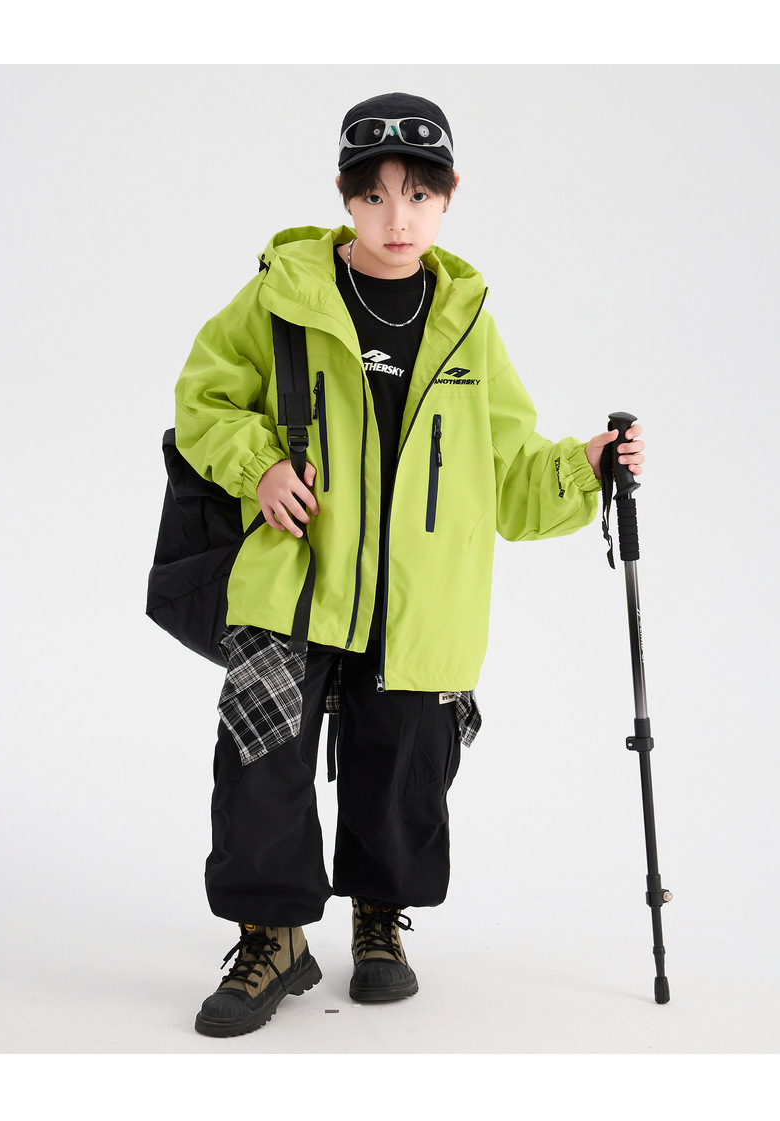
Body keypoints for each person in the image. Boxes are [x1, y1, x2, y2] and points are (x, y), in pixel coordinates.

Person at [173, 92, 645, 1038]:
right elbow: (203, 402)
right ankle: (272, 937)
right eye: (376, 195)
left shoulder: (467, 324)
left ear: (450, 195)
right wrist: (260, 466)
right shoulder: (281, 296)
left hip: (420, 599)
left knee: (401, 770)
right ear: (344, 195)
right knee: (262, 763)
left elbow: (509, 476)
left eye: (419, 195)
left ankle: (380, 920)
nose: (398, 217)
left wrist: (584, 466)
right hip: (293, 580)